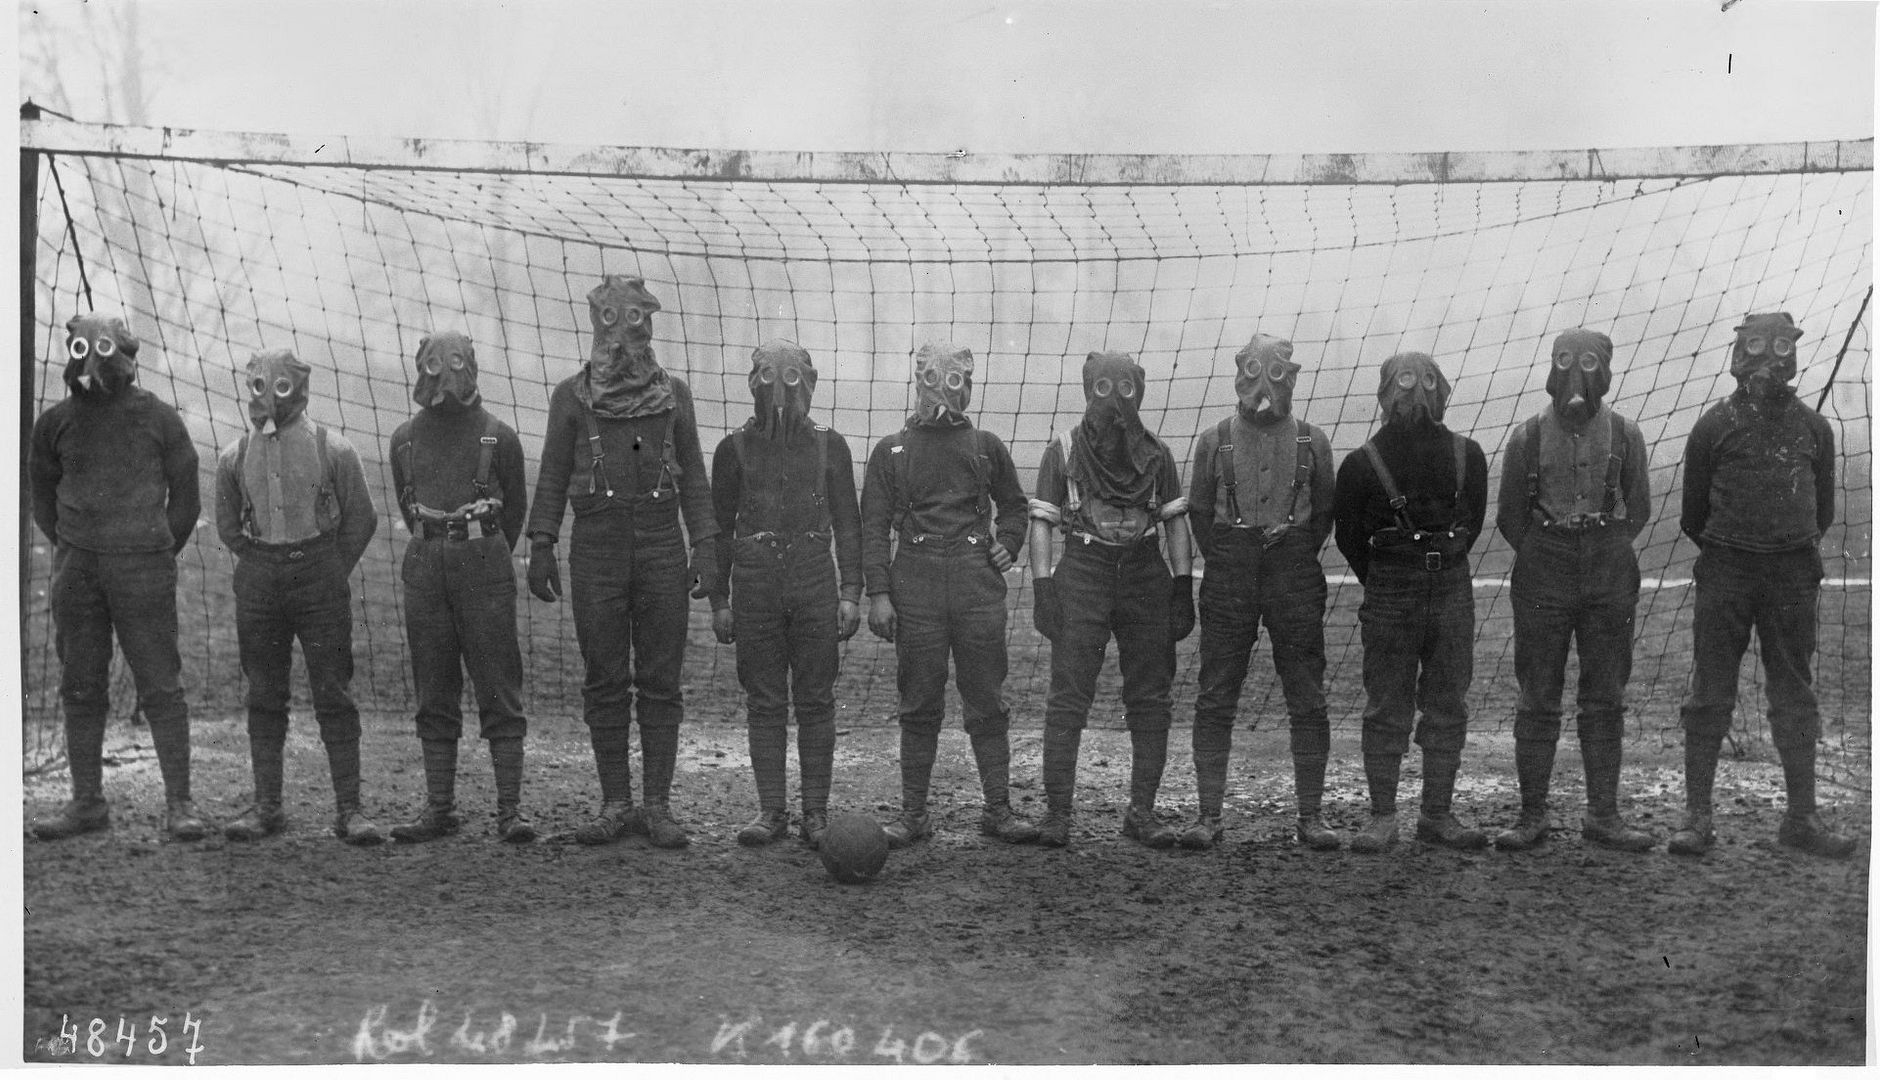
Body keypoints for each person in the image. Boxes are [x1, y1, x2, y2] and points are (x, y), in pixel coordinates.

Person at [526, 276, 719, 849]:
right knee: (604, 676)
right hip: (597, 547)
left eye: (636, 319)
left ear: (650, 324)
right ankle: (615, 803)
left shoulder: (675, 395)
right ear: (596, 325)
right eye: (611, 320)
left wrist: (704, 544)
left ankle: (656, 807)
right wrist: (540, 542)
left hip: (661, 543)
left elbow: (696, 477)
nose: (623, 334)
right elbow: (553, 474)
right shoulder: (571, 397)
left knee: (661, 679)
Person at [1670, 312, 1853, 859]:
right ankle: (1697, 818)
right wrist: (1737, 550)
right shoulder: (1713, 425)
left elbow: (1821, 511)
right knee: (1710, 692)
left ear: (1793, 353)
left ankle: (1802, 818)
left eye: (1778, 347)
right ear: (1737, 354)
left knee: (1795, 692)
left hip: (1792, 575)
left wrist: (1782, 552)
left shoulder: (1813, 428)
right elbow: (1691, 513)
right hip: (1727, 570)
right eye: (1754, 346)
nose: (1767, 360)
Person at [28, 313, 205, 841]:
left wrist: (152, 545)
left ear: (126, 355)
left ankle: (180, 804)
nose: (93, 361)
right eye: (83, 349)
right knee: (80, 684)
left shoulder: (160, 418)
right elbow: (42, 497)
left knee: (160, 684)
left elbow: (188, 495)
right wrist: (76, 546)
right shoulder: (54, 423)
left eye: (104, 349)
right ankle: (87, 803)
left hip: (143, 567)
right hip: (79, 569)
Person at [860, 342, 1039, 848]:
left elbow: (1015, 505)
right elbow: (873, 527)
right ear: (918, 382)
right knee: (918, 700)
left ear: (967, 382)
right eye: (932, 379)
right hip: (914, 582)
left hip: (975, 585)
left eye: (953, 379)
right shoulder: (890, 450)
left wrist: (1006, 544)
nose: (941, 390)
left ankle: (998, 810)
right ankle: (914, 814)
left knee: (985, 698)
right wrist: (879, 593)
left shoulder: (986, 445)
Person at [1493, 329, 1655, 852]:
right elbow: (1509, 517)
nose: (1576, 378)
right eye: (1566, 363)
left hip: (1608, 568)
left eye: (1588, 364)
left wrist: (1603, 546)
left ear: (1605, 371)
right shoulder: (1526, 437)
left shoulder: (1628, 435)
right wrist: (1548, 549)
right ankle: (1532, 814)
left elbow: (1640, 509)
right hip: (1544, 567)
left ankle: (1603, 815)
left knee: (1605, 694)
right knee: (1538, 693)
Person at [1029, 351, 1196, 848]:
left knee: (1150, 695)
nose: (1115, 402)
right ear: (1088, 390)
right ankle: (1057, 813)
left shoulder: (1157, 454)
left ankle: (1141, 812)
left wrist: (1182, 586)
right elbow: (1043, 520)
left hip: (1145, 572)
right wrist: (1043, 587)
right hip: (1084, 570)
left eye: (1125, 390)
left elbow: (1175, 522)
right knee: (1068, 694)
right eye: (1103, 389)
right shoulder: (1063, 451)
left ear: (1138, 394)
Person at [217, 348, 382, 844]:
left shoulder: (335, 449)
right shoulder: (233, 455)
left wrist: (329, 568)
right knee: (264, 691)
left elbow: (363, 519)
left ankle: (349, 810)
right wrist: (261, 559)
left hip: (318, 576)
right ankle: (267, 806)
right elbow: (227, 525)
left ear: (300, 388)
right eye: (260, 387)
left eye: (280, 387)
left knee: (333, 690)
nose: (270, 398)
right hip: (261, 580)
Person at [1183, 333, 1337, 850]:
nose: (1264, 387)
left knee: (1307, 696)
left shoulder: (1313, 441)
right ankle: (1208, 815)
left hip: (1293, 574)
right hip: (1230, 573)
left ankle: (1311, 816)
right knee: (1216, 694)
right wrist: (1233, 552)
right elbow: (1201, 515)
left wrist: (1289, 544)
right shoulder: (1212, 440)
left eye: (1276, 375)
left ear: (1291, 379)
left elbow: (1324, 520)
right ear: (1239, 377)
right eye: (1254, 374)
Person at [707, 341, 862, 849]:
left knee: (817, 698)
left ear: (810, 383)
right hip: (754, 583)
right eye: (769, 377)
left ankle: (814, 813)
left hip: (814, 577)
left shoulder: (829, 445)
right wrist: (720, 602)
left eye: (793, 378)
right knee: (765, 700)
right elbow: (718, 526)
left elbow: (849, 523)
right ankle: (772, 810)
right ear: (752, 382)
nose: (780, 390)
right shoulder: (732, 449)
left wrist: (851, 594)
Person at [1333, 351, 1488, 854]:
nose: (1415, 394)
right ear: (1384, 393)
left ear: (1442, 391)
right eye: (1403, 382)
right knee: (1387, 704)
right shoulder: (1358, 465)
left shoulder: (1471, 455)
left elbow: (1474, 521)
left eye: (1426, 382)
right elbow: (1349, 537)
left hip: (1451, 593)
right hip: (1391, 594)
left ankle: (1437, 814)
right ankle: (1382, 816)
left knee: (1447, 701)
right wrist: (1386, 579)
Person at [386, 331, 534, 843]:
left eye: (454, 363)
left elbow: (514, 510)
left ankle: (510, 811)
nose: (443, 376)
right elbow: (408, 505)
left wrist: (483, 548)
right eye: (433, 365)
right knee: (434, 685)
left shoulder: (500, 436)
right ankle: (439, 807)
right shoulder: (403, 438)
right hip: (426, 564)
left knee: (498, 682)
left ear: (471, 366)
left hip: (483, 566)